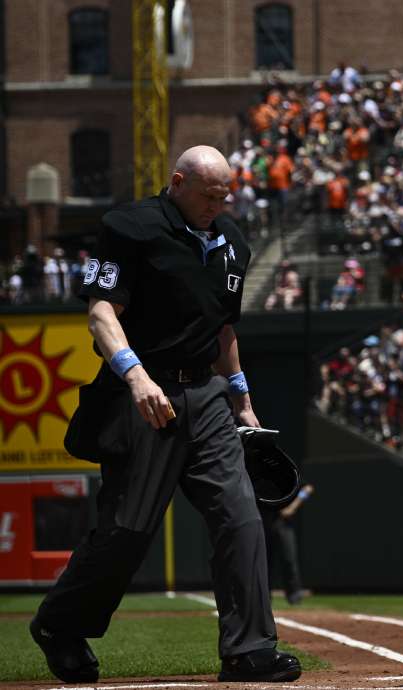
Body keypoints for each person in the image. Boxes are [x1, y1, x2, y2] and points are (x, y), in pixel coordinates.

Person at [30, 146, 300, 683]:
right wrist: (136, 378)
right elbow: (102, 313)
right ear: (178, 182)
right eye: (208, 195)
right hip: (145, 394)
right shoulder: (128, 227)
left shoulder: (233, 244)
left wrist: (243, 401)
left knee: (241, 518)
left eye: (226, 196)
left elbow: (224, 333)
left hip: (207, 397)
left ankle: (249, 651)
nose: (218, 206)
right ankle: (60, 625)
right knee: (127, 532)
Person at [264, 483, 314, 605]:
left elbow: (307, 488)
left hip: (283, 523)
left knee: (289, 559)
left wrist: (293, 506)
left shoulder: (286, 470)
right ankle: (264, 599)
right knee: (264, 563)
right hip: (264, 521)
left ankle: (294, 596)